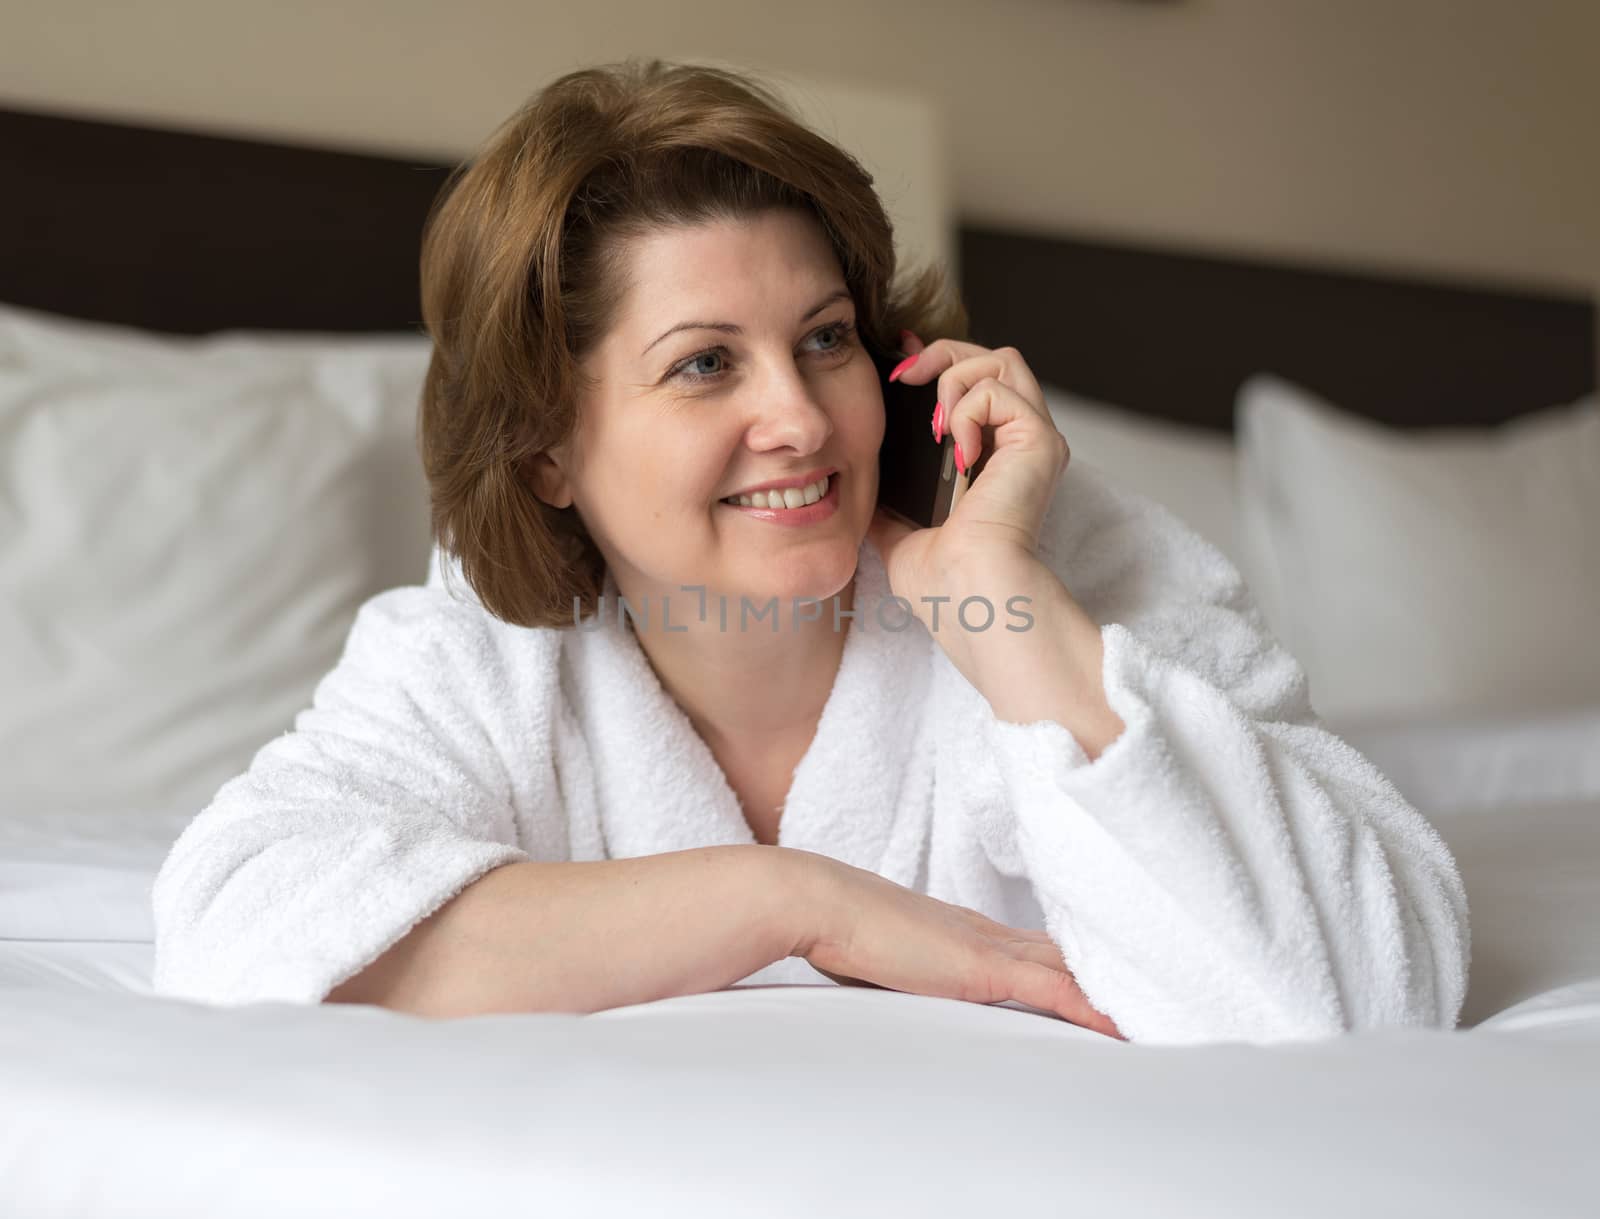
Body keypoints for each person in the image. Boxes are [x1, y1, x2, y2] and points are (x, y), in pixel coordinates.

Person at [150, 57, 1469, 1046]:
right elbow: (241, 922)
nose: (797, 417)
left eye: (826, 338)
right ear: (548, 445)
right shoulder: (490, 653)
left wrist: (1012, 617)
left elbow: (1369, 984)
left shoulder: (1047, 556)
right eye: (705, 363)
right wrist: (793, 902)